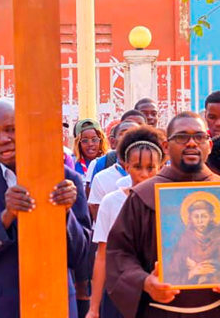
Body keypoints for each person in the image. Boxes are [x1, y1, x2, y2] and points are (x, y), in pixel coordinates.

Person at [0, 99, 91, 318]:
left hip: (55, 304)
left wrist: (66, 213)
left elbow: (82, 259)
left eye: (11, 130)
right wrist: (5, 218)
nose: (3, 139)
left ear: (28, 129)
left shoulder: (66, 179)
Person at [106, 111, 220, 318]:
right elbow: (119, 254)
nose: (191, 143)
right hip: (161, 312)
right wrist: (144, 281)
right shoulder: (143, 196)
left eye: (199, 137)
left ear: (209, 145)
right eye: (182, 137)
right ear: (166, 147)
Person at [86, 126, 165, 318]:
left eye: (150, 168)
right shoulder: (111, 202)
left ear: (160, 167)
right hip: (118, 290)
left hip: (159, 290)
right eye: (138, 167)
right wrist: (93, 308)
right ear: (126, 167)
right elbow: (102, 256)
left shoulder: (168, 201)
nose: (144, 174)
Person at [88, 120, 139, 221]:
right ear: (112, 142)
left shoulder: (152, 176)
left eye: (136, 134)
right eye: (124, 134)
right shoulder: (101, 178)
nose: (130, 138)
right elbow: (99, 222)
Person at [72, 119, 109, 192]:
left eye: (94, 139)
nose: (90, 144)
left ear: (101, 140)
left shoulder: (109, 160)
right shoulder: (72, 163)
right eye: (85, 141)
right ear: (78, 143)